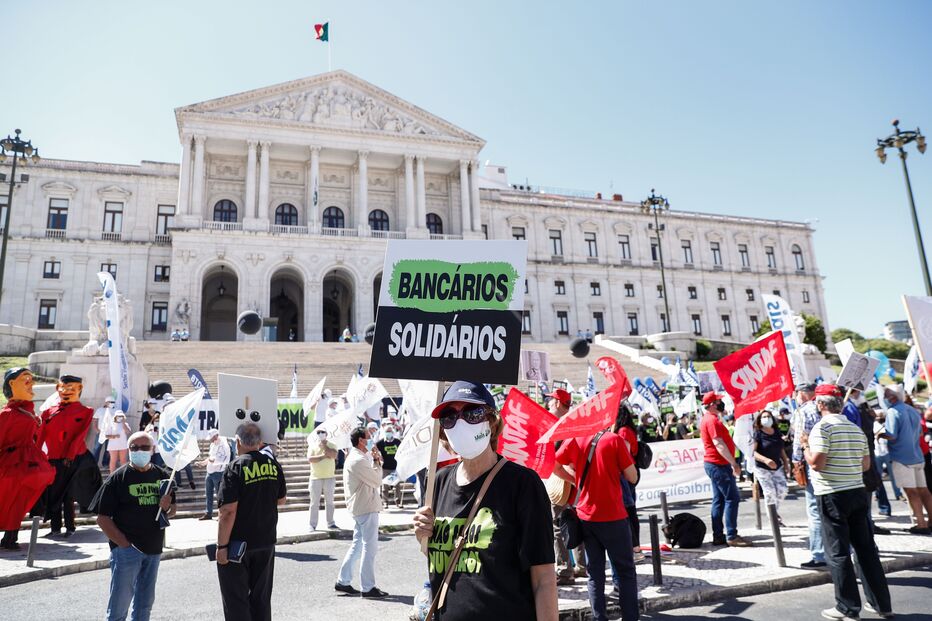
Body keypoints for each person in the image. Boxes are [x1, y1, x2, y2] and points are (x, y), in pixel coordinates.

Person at [413, 381, 557, 621]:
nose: (459, 423)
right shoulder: (438, 482)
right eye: (449, 417)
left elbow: (543, 578)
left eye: (472, 413)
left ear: (491, 421)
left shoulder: (522, 484)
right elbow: (451, 564)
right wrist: (423, 536)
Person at [802, 393, 892, 621]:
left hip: (832, 494)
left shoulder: (821, 428)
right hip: (856, 491)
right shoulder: (855, 428)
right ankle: (881, 604)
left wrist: (805, 448)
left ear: (821, 405)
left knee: (838, 552)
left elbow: (817, 463)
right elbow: (865, 464)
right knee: (866, 549)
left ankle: (847, 607)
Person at [554, 398, 639, 621]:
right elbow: (632, 476)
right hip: (614, 516)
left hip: (586, 517)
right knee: (625, 571)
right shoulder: (614, 440)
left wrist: (573, 479)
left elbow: (554, 464)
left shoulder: (575, 439)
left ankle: (598, 617)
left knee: (595, 574)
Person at [94, 430, 176, 621]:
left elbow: (173, 510)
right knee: (118, 610)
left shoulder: (163, 476)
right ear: (128, 450)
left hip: (154, 549)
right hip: (126, 552)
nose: (139, 450)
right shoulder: (117, 478)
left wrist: (167, 507)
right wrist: (123, 544)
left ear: (152, 449)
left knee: (144, 607)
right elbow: (102, 518)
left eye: (144, 447)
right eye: (134, 447)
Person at [216, 422, 287, 621]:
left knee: (236, 601)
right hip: (265, 542)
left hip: (238, 546)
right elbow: (281, 500)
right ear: (260, 442)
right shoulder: (272, 464)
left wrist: (222, 546)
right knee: (261, 600)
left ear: (237, 442)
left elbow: (228, 511)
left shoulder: (235, 467)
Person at [0, 368, 54, 550]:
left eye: (31, 380)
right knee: (8, 499)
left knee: (18, 501)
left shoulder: (30, 414)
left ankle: (11, 536)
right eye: (26, 379)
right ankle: (10, 536)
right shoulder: (7, 414)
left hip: (28, 462)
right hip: (11, 463)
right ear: (11, 384)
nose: (31, 384)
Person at [39, 374, 95, 538]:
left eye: (71, 388)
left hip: (73, 459)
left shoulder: (86, 411)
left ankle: (70, 527)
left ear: (79, 389)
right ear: (57, 388)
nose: (66, 391)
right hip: (53, 458)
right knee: (53, 494)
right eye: (63, 387)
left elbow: (80, 436)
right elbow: (40, 434)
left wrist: (70, 456)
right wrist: (37, 454)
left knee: (67, 495)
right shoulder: (48, 412)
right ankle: (55, 528)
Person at [336, 426, 388, 598]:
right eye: (368, 436)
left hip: (362, 506)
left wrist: (374, 460)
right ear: (361, 440)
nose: (371, 438)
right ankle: (368, 587)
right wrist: (377, 461)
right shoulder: (357, 459)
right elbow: (376, 480)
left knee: (358, 545)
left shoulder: (358, 457)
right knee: (369, 547)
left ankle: (343, 581)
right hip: (366, 507)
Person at [699, 392, 751, 547]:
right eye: (719, 401)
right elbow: (719, 444)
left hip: (716, 464)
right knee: (731, 498)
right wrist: (734, 463)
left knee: (719, 500)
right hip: (718, 464)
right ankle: (731, 535)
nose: (722, 403)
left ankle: (719, 535)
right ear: (713, 404)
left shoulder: (709, 419)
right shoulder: (712, 420)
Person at [878, 384, 932, 534]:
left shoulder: (893, 411)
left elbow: (892, 435)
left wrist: (879, 435)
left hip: (902, 458)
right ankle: (929, 522)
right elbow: (921, 433)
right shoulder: (912, 410)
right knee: (924, 491)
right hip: (917, 455)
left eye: (886, 395)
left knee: (911, 492)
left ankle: (920, 524)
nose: (883, 398)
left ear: (892, 397)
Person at [545, 388, 586, 585]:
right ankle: (581, 566)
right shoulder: (575, 423)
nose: (548, 404)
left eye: (551, 401)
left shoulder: (559, 426)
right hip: (575, 481)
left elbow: (556, 458)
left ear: (559, 403)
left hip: (562, 481)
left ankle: (563, 571)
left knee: (556, 527)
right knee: (575, 522)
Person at [792, 382, 826, 568]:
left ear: (803, 394)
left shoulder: (804, 411)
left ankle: (819, 554)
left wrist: (796, 462)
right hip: (831, 462)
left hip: (812, 461)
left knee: (815, 510)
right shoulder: (828, 408)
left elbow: (800, 439)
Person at [751, 409, 789, 525]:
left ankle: (774, 511)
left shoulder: (776, 432)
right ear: (760, 420)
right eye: (764, 417)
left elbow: (781, 449)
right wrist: (766, 460)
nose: (766, 419)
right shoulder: (758, 433)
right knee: (770, 492)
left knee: (782, 490)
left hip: (777, 466)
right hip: (762, 468)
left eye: (768, 416)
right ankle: (773, 518)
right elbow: (753, 452)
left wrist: (786, 463)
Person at [307, 428, 338, 530]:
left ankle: (331, 523)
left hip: (329, 477)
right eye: (318, 432)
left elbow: (333, 455)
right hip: (315, 477)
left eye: (322, 432)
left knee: (329, 502)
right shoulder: (312, 445)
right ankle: (312, 524)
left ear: (326, 433)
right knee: (314, 503)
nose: (320, 434)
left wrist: (325, 445)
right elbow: (311, 459)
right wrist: (324, 456)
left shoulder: (332, 444)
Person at [197, 429, 230, 521]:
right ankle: (209, 513)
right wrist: (203, 463)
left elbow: (224, 459)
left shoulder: (224, 445)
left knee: (219, 494)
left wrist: (212, 460)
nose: (210, 440)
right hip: (210, 472)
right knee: (209, 493)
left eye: (211, 438)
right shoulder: (213, 444)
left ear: (216, 436)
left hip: (218, 472)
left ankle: (221, 513)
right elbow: (210, 457)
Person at [873, 411, 902, 501]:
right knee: (877, 476)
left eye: (881, 415)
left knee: (893, 475)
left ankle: (898, 494)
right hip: (877, 452)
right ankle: (877, 494)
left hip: (887, 452)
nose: (880, 417)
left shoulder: (888, 424)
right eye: (878, 416)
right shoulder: (873, 425)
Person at [376, 424, 404, 508]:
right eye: (387, 431)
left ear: (393, 432)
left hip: (396, 468)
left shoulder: (397, 442)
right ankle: (385, 502)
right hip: (385, 468)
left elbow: (402, 452)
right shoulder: (380, 443)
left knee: (397, 486)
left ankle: (398, 501)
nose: (389, 433)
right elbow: (376, 452)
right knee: (385, 486)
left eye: (390, 431)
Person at [93, 396, 116, 466]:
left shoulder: (116, 410)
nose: (112, 403)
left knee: (108, 450)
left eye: (113, 402)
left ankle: (105, 464)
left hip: (110, 434)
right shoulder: (100, 410)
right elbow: (95, 419)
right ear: (106, 402)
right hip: (100, 433)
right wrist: (96, 429)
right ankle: (94, 465)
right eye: (111, 402)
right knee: (96, 449)